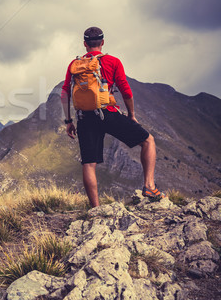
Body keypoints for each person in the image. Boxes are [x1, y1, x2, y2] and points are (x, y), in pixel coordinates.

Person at [60, 27, 164, 207]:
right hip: (108, 113)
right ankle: (149, 187)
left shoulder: (74, 65)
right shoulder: (113, 61)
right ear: (102, 43)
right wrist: (131, 115)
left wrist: (69, 121)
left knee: (89, 163)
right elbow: (126, 91)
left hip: (84, 117)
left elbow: (64, 93)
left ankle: (96, 209)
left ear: (85, 44)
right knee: (148, 141)